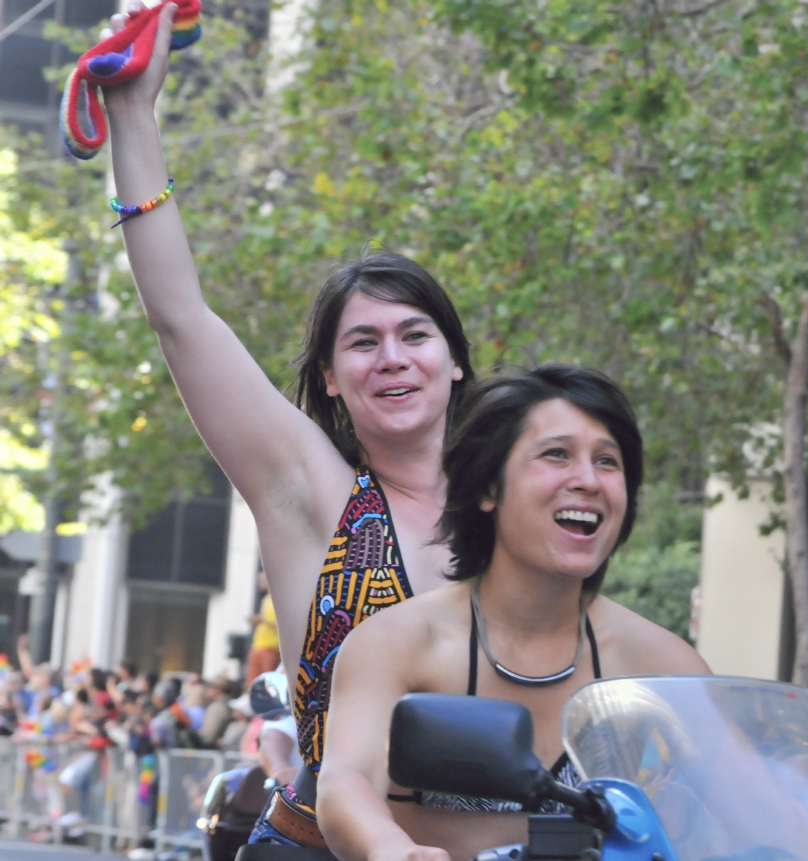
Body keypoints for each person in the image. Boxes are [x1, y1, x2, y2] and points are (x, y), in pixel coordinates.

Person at [96, 2, 476, 847]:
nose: (393, 358)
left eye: (417, 335)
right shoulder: (315, 494)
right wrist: (132, 110)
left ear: (455, 360)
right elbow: (182, 318)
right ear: (333, 382)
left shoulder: (514, 506)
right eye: (363, 343)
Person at [315, 366, 711, 861]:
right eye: (556, 454)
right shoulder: (397, 642)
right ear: (488, 488)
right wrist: (392, 849)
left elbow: (742, 797)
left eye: (608, 461)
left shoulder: (667, 667)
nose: (587, 480)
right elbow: (345, 784)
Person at [246, 569, 280, 681]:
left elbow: (280, 625)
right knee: (252, 680)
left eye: (263, 579)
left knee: (267, 680)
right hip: (258, 645)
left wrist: (262, 620)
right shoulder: (266, 599)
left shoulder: (279, 599)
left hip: (271, 647)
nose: (261, 582)